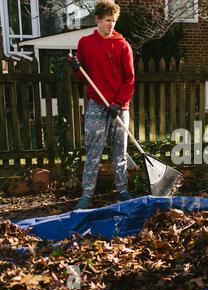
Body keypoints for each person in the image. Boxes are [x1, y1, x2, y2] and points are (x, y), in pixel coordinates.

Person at [68, 0, 135, 209]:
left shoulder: (123, 45)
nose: (111, 25)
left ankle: (122, 191)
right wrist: (75, 66)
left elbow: (130, 80)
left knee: (120, 151)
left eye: (114, 21)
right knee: (93, 151)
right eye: (107, 21)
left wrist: (119, 103)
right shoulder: (86, 44)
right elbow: (82, 76)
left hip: (119, 107)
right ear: (97, 19)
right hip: (97, 104)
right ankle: (87, 194)